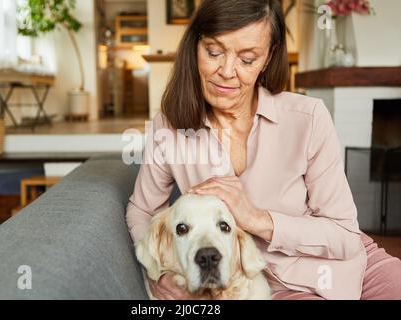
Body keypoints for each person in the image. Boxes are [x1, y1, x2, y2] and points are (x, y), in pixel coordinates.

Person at [126, 0, 401, 300]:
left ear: (268, 58)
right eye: (214, 52)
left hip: (354, 268)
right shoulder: (169, 129)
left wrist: (258, 219)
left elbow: (346, 237)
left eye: (247, 59)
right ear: (195, 46)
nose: (227, 72)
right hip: (274, 287)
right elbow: (142, 209)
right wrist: (157, 270)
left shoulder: (308, 118)